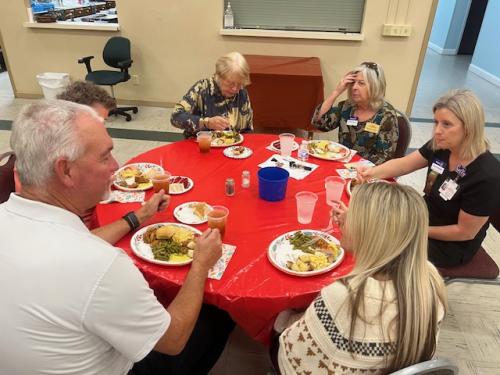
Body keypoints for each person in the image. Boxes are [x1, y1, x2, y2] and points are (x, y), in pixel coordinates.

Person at [0, 100, 234, 375]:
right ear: (66, 171)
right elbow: (172, 340)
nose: (116, 165)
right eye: (105, 156)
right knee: (218, 315)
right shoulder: (101, 265)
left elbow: (81, 243)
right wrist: (200, 264)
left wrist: (140, 216)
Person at [275, 183, 447, 374]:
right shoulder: (429, 278)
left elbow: (291, 358)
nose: (343, 220)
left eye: (353, 215)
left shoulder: (343, 295)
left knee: (278, 323)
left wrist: (284, 320)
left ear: (369, 232)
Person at [358, 89, 500, 267]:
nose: (437, 131)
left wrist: (415, 230)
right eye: (436, 122)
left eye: (447, 124)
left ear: (469, 128)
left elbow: (464, 233)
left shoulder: (487, 175)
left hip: (450, 245)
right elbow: (404, 164)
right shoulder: (441, 146)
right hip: (424, 216)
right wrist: (370, 172)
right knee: (369, 220)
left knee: (379, 243)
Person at [57, 81, 166, 244]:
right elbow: (81, 243)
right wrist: (138, 216)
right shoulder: (50, 174)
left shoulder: (75, 147)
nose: (115, 167)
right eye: (97, 124)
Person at [311, 62, 399, 165]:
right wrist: (336, 92)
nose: (354, 87)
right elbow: (320, 124)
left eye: (361, 83)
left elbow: (384, 157)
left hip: (368, 171)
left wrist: (354, 167)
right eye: (353, 83)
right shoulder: (347, 106)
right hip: (341, 164)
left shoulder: (386, 115)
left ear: (375, 86)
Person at [171, 51, 253, 138]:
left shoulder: (242, 93)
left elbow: (248, 130)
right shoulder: (202, 89)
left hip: (233, 150)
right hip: (201, 147)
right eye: (230, 83)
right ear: (219, 76)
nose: (235, 89)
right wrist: (207, 123)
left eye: (240, 84)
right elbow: (176, 117)